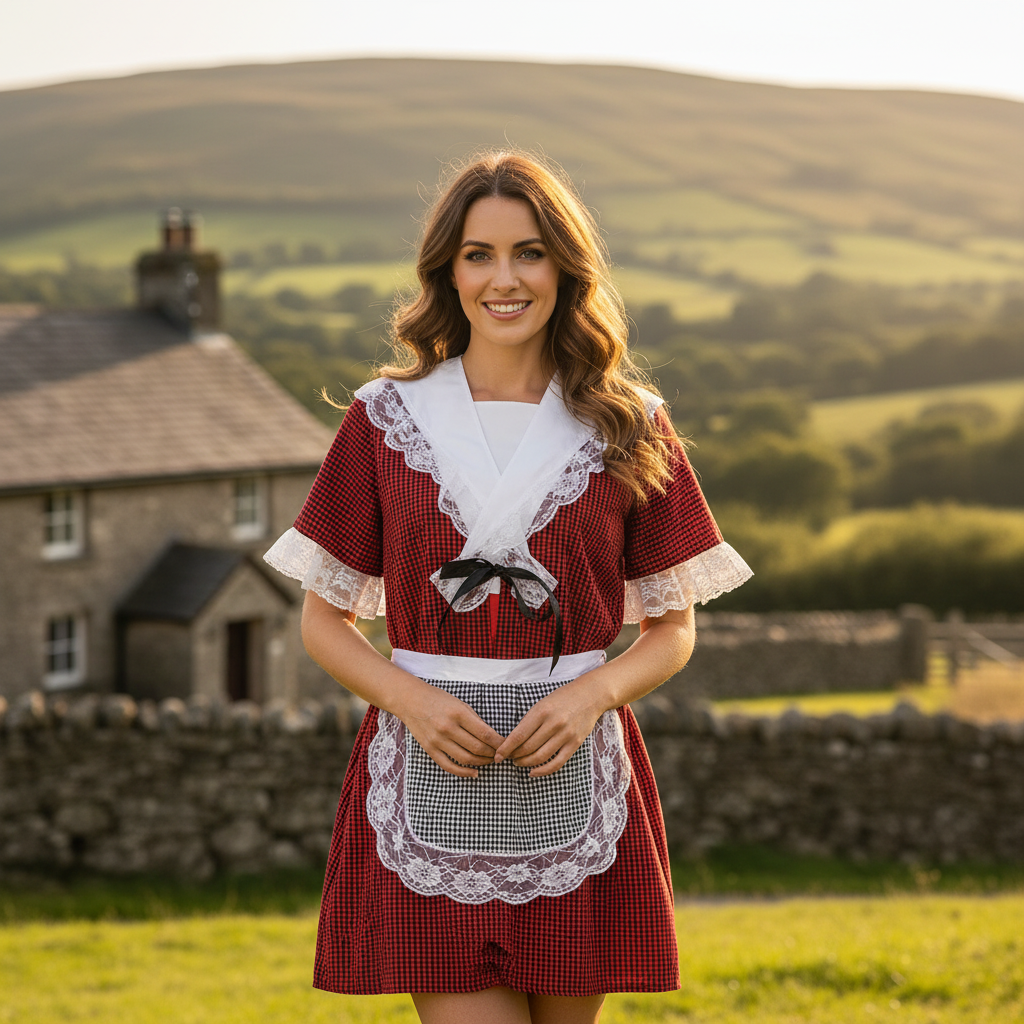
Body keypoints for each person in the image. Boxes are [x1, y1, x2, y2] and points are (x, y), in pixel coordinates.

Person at [264, 151, 752, 1024]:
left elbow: (673, 628)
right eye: (479, 254)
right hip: (427, 765)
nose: (505, 278)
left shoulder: (627, 422)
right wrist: (410, 701)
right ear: (447, 271)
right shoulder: (384, 419)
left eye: (528, 252)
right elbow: (323, 621)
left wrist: (592, 694)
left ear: (565, 265)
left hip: (573, 762)